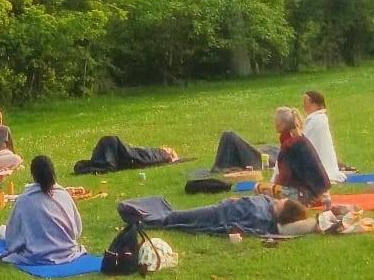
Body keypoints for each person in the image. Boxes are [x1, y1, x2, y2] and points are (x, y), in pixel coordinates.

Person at [0, 155, 87, 265]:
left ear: (33, 175)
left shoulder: (25, 200)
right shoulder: (63, 195)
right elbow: (77, 229)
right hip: (67, 251)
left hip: (39, 255)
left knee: (4, 231)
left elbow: (13, 238)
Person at [118, 193, 312, 237]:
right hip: (221, 208)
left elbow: (242, 228)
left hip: (217, 216)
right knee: (176, 214)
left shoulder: (263, 220)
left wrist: (230, 231)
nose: (277, 201)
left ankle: (138, 215)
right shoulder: (268, 204)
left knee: (175, 218)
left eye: (281, 203)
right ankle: (147, 207)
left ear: (282, 213)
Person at [257, 106, 330, 205]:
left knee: (259, 188)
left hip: (307, 195)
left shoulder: (289, 145)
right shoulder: (299, 138)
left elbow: (284, 177)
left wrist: (274, 187)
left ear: (282, 124)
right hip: (319, 192)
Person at [301, 90, 346, 184]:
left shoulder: (316, 121)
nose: (303, 106)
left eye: (306, 103)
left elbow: (304, 144)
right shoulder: (318, 119)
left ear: (315, 105)